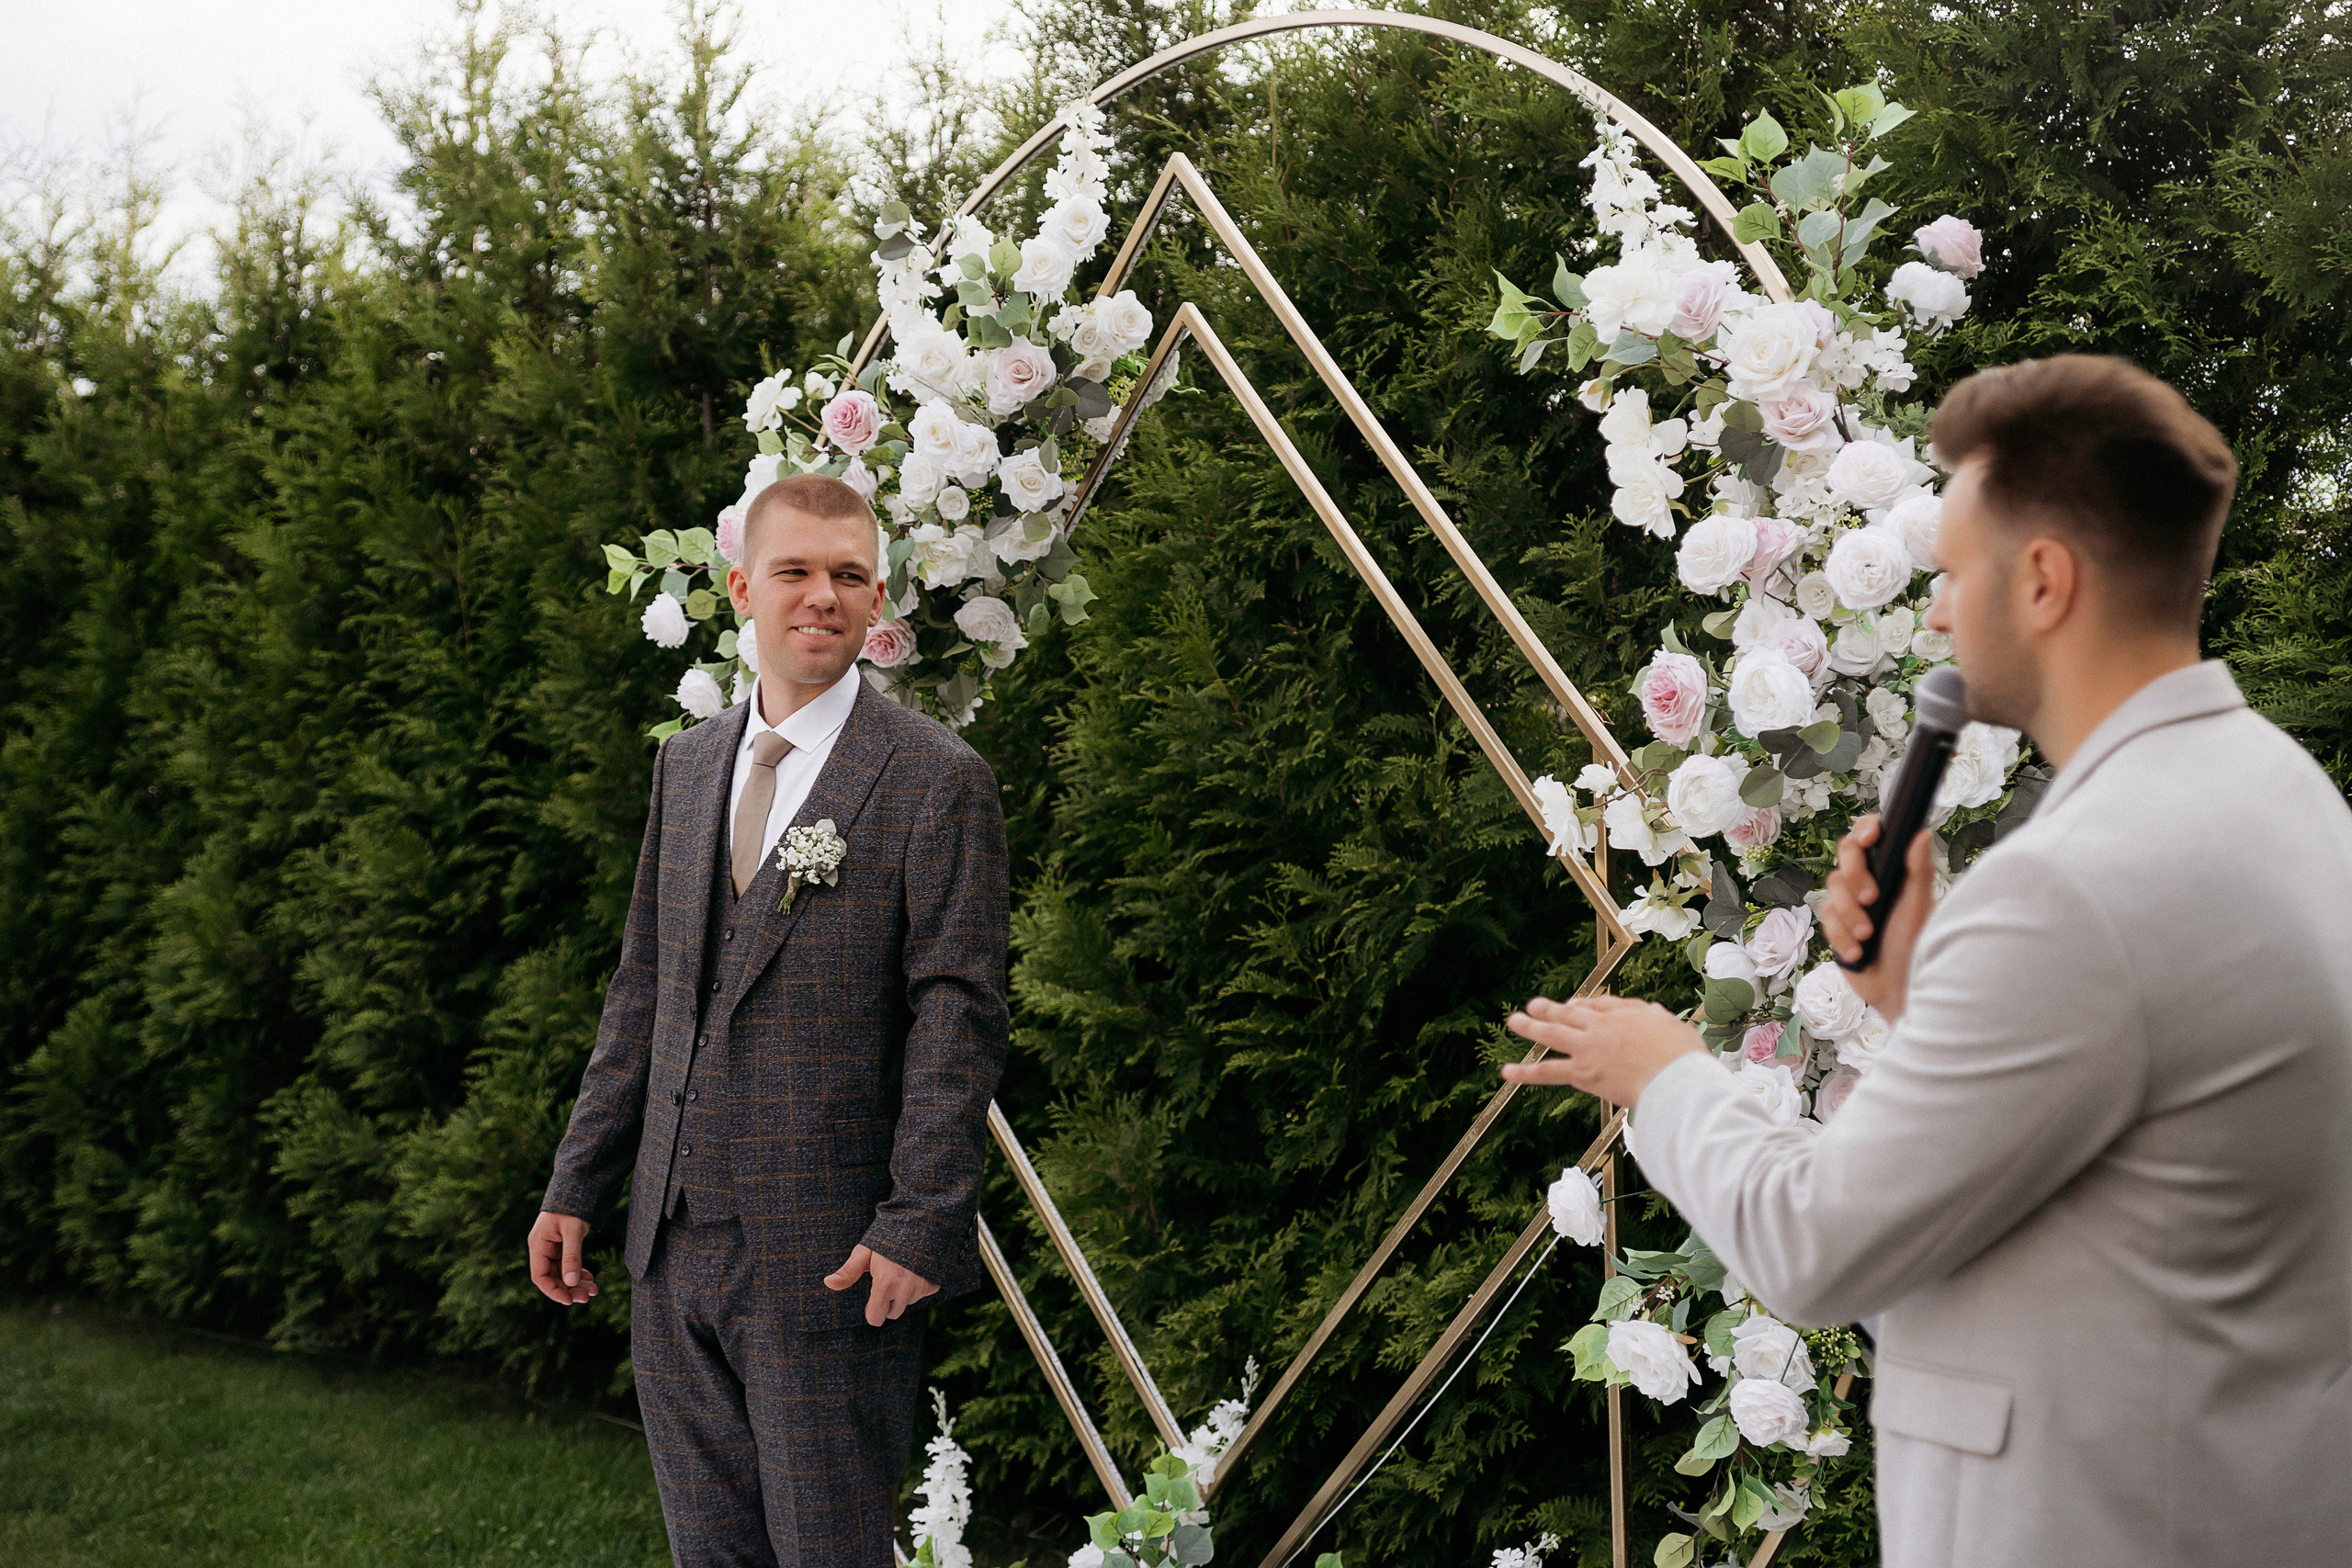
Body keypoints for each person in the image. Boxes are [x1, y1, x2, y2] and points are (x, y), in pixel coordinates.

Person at [1499, 355, 2352, 1566]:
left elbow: (1818, 1241)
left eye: (1954, 573)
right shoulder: (2280, 790)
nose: (1940, 613)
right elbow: (2123, 1171)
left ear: (2045, 579)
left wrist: (1667, 1071)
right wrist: (1919, 990)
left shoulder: (2074, 884)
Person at [525, 473, 1009, 1567]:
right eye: (794, 571)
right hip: (669, 1249)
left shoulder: (936, 781)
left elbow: (958, 1019)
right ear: (743, 587)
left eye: (848, 576)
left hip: (829, 1258)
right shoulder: (687, 768)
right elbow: (643, 987)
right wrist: (577, 1184)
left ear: (878, 600)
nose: (821, 597)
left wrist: (919, 1218)